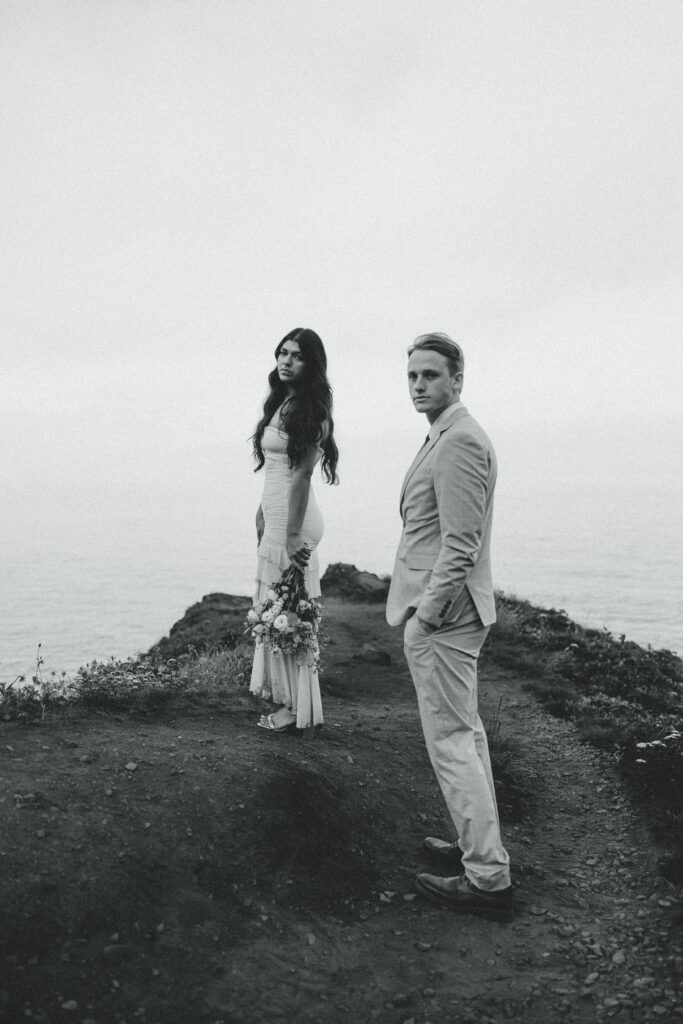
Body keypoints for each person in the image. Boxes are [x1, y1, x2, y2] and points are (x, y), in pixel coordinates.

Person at [386, 332, 513, 920]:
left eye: (430, 376)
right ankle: (476, 848)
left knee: (454, 743)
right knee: (468, 736)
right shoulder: (446, 433)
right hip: (456, 615)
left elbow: (460, 545)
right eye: (413, 375)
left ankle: (487, 879)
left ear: (457, 380)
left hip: (446, 619)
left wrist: (424, 617)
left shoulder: (459, 440)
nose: (418, 385)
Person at [249, 328, 338, 732]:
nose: (286, 361)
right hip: (279, 513)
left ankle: (295, 710)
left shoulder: (308, 408)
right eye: (282, 353)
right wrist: (261, 512)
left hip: (294, 519)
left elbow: (301, 475)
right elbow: (275, 470)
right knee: (277, 610)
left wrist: (289, 534)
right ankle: (286, 699)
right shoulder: (283, 402)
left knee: (290, 614)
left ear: (311, 363)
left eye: (297, 356)